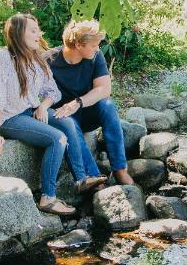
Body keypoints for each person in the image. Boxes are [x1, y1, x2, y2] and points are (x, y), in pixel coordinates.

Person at [0, 13, 105, 216]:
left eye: (37, 29)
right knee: (57, 138)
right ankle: (47, 198)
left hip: (31, 111)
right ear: (17, 33)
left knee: (66, 122)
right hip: (9, 118)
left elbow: (53, 92)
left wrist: (43, 106)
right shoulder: (2, 57)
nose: (38, 33)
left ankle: (81, 179)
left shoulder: (36, 60)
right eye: (32, 30)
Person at [47, 19, 134, 186]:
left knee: (107, 105)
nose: (98, 49)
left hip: (88, 111)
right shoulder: (49, 60)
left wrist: (78, 102)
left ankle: (119, 170)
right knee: (69, 124)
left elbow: (104, 89)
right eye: (94, 45)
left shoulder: (96, 56)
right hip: (64, 116)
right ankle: (94, 179)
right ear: (79, 45)